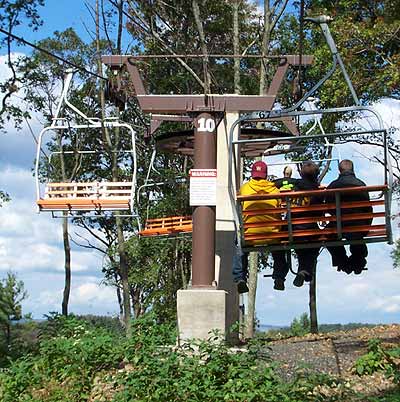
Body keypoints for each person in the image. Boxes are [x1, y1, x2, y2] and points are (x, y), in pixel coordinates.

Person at [232, 160, 288, 292]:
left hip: (250, 236)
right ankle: (279, 277)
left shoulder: (244, 189)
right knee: (280, 244)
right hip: (273, 236)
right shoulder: (274, 189)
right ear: (266, 175)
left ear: (252, 174)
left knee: (238, 242)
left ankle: (240, 277)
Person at [325, 159, 372, 274]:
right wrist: (366, 224)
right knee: (357, 236)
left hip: (339, 226)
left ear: (339, 171)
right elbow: (368, 208)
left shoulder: (333, 185)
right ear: (353, 169)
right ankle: (358, 261)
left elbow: (328, 208)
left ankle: (343, 262)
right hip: (359, 225)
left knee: (327, 237)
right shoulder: (361, 184)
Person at [291, 161, 323, 287]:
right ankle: (305, 271)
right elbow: (320, 213)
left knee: (302, 245)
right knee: (315, 243)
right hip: (310, 230)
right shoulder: (317, 193)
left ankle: (304, 271)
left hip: (293, 230)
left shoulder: (294, 189)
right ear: (315, 176)